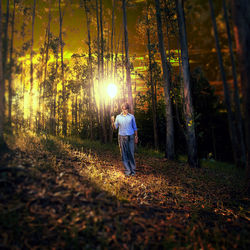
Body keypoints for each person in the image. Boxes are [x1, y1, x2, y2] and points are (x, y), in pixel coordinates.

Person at [111, 103, 138, 176]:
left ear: (128, 109)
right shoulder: (118, 117)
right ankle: (127, 171)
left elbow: (135, 127)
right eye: (123, 109)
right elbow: (115, 128)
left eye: (126, 109)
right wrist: (112, 121)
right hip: (121, 137)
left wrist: (136, 137)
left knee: (131, 154)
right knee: (124, 154)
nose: (124, 110)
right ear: (121, 109)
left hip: (130, 137)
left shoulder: (131, 117)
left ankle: (133, 170)